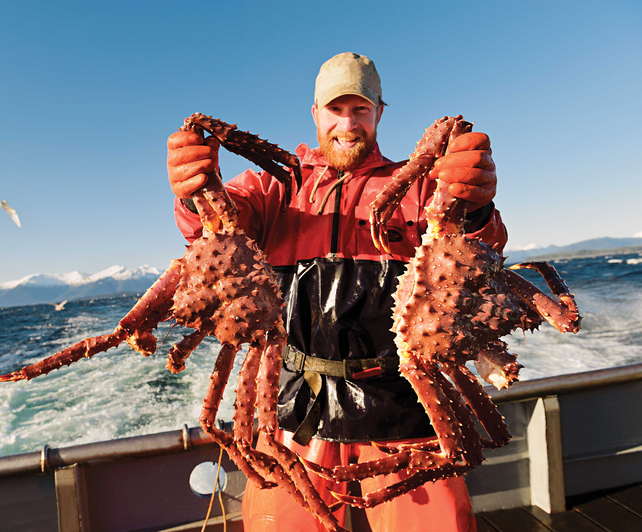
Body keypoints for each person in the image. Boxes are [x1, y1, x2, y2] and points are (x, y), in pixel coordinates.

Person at [166, 52, 505, 532]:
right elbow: (216, 230)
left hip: (406, 406)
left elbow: (479, 255)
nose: (348, 124)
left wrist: (476, 208)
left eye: (360, 110)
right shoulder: (272, 187)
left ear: (379, 113)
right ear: (315, 114)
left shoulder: (421, 185)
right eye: (336, 110)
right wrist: (192, 192)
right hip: (294, 411)